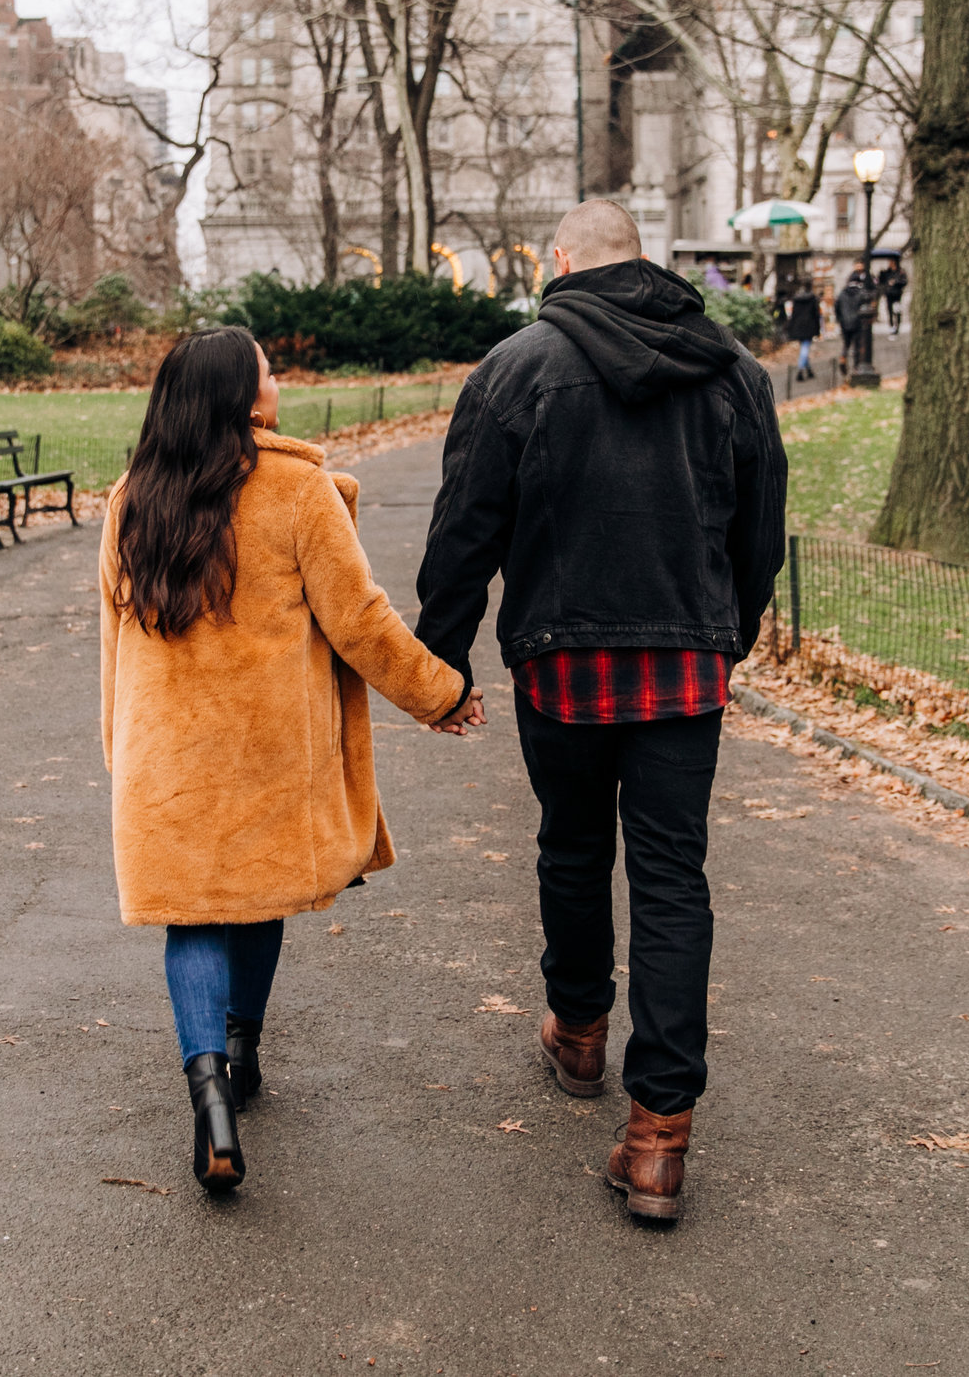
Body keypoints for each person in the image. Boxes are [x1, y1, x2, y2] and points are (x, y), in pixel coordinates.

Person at [416, 199, 786, 1224]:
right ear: (647, 261)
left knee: (572, 846)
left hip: (561, 655)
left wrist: (440, 658)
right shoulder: (732, 374)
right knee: (672, 876)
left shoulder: (519, 365)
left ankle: (578, 1030)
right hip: (683, 663)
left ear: (565, 262)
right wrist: (731, 629)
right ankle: (658, 1133)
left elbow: (465, 524)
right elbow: (763, 531)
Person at [99, 326, 482, 1194]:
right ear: (245, 399)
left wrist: (122, 754)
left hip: (168, 763)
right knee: (256, 898)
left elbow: (112, 641)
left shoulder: (132, 498)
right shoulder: (299, 490)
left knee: (191, 918)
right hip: (267, 756)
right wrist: (442, 694)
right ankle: (242, 1050)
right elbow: (363, 622)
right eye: (270, 371)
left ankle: (210, 1098)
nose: (280, 380)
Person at [834, 266, 874, 374]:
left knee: (846, 344)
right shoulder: (861, 293)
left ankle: (843, 357)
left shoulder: (842, 293)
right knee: (857, 345)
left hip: (844, 323)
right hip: (857, 323)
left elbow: (837, 306)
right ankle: (856, 367)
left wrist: (839, 319)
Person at [781, 282, 822, 381]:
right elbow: (816, 315)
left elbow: (793, 315)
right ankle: (801, 369)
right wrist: (818, 329)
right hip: (809, 326)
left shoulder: (796, 300)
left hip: (798, 327)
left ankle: (808, 370)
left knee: (804, 347)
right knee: (805, 348)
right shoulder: (813, 299)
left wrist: (791, 328)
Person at [877, 257, 907, 334]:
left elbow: (904, 281)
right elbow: (881, 281)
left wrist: (895, 282)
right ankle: (891, 326)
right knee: (889, 311)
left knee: (897, 311)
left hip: (897, 295)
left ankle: (897, 327)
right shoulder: (887, 272)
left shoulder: (900, 272)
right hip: (889, 294)